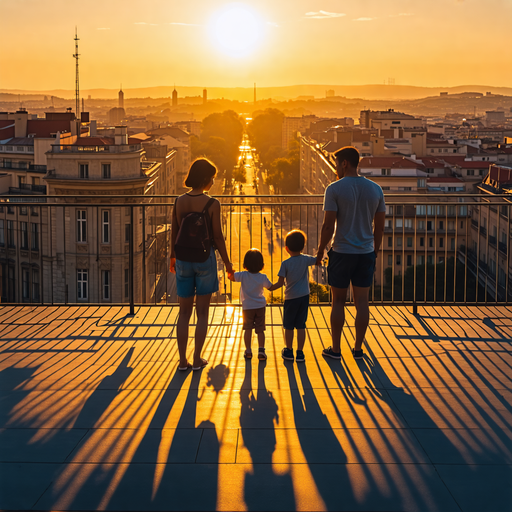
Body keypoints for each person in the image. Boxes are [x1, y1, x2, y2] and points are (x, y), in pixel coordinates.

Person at [316, 146, 386, 360]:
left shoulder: (334, 189)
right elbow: (380, 226)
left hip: (342, 252)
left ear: (344, 163)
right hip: (365, 253)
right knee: (362, 302)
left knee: (337, 301)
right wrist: (374, 250)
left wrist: (320, 252)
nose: (336, 168)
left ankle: (336, 349)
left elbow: (328, 226)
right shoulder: (376, 189)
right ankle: (357, 349)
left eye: (337, 163)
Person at [170, 158, 233, 371]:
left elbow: (175, 231)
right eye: (212, 178)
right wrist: (227, 262)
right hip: (204, 259)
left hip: (183, 260)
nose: (213, 182)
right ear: (205, 178)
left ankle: (182, 361)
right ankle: (197, 359)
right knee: (202, 313)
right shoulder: (212, 204)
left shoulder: (179, 201)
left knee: (184, 313)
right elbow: (218, 236)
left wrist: (172, 257)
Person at [270, 230, 316, 363]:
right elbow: (317, 260)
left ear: (286, 248)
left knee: (288, 325)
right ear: (303, 247)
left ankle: (288, 350)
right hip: (304, 296)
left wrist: (270, 287)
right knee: (301, 325)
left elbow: (280, 282)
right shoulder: (306, 259)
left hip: (291, 298)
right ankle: (300, 353)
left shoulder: (285, 264)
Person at [229, 249, 272, 360]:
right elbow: (270, 287)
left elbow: (231, 277)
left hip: (247, 307)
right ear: (261, 265)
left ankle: (248, 350)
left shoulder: (242, 275)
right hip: (260, 306)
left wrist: (229, 270)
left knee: (248, 329)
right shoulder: (263, 277)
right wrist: (281, 283)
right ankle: (261, 351)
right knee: (260, 329)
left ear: (245, 265)